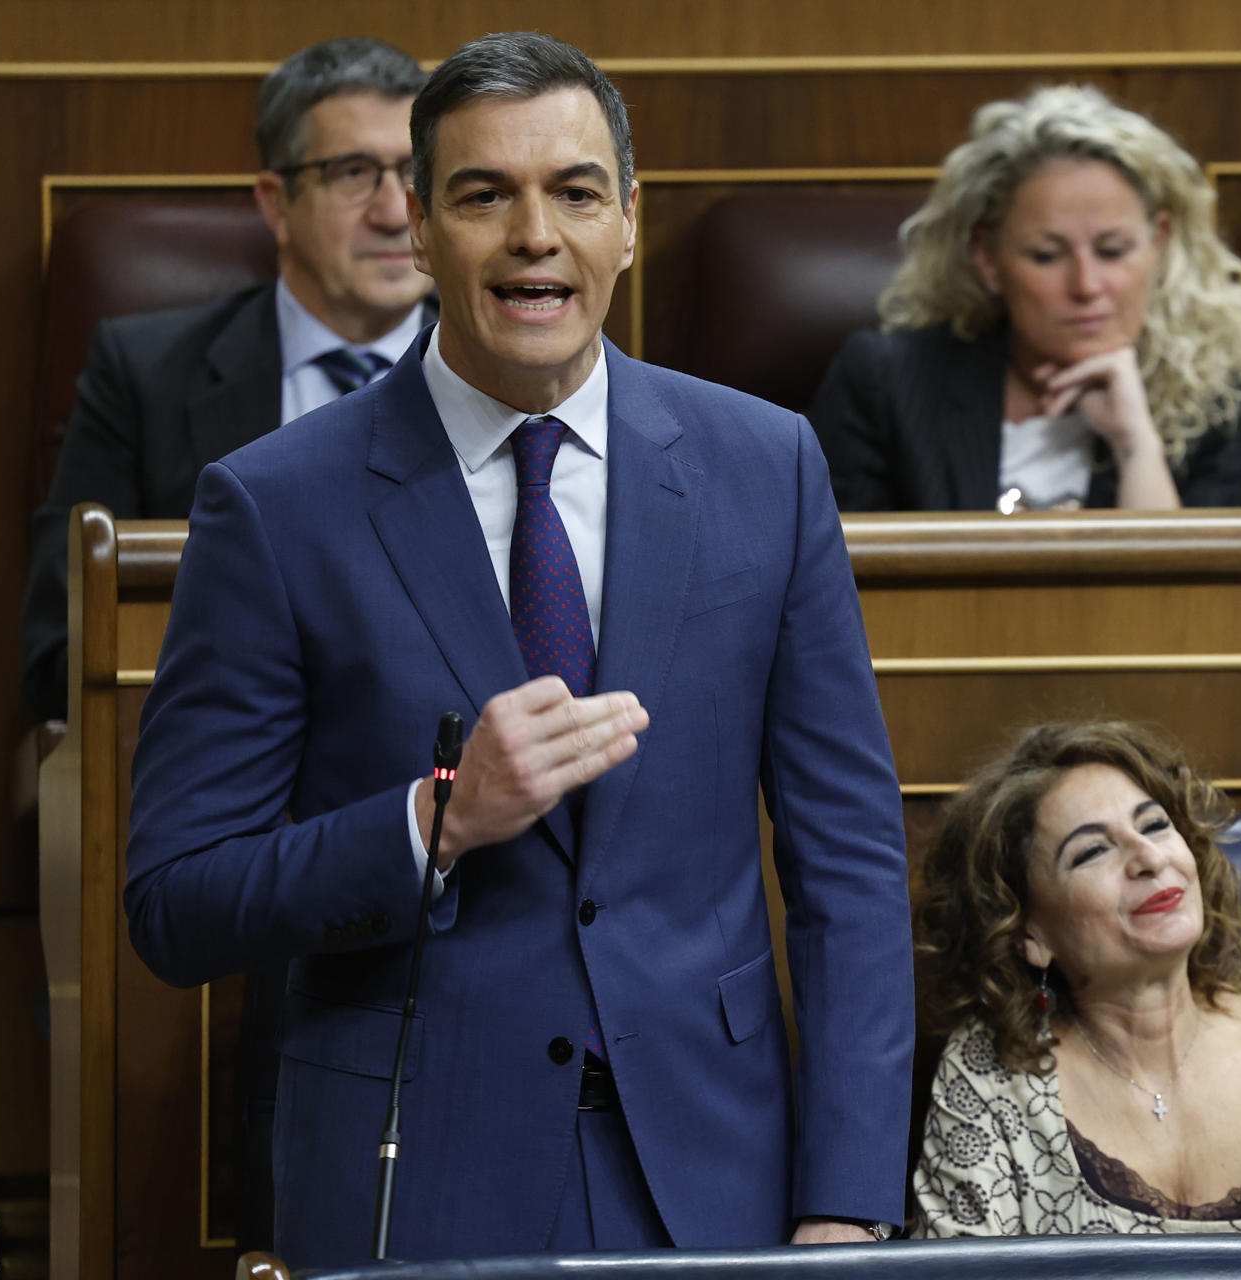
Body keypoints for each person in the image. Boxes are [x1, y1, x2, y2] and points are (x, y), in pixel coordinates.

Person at [122, 31, 914, 1268]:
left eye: (576, 193)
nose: (534, 234)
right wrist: (435, 817)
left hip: (712, 1174)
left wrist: (849, 1196)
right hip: (412, 1170)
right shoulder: (275, 504)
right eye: (484, 195)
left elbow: (849, 863)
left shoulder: (768, 465)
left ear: (630, 225)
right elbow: (176, 902)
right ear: (423, 229)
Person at [19, 36, 435, 725]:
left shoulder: (506, 366)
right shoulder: (147, 375)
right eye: (354, 173)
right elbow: (58, 648)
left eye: (416, 172)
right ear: (276, 203)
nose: (395, 212)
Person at [911, 720, 1241, 1235]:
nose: (1148, 858)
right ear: (1027, 933)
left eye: (1153, 825)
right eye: (1092, 852)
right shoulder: (989, 1078)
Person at [807, 85, 1241, 514]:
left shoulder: (1211, 401)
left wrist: (1136, 447)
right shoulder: (886, 382)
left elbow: (1189, 600)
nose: (1087, 286)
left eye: (1113, 251)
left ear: (1158, 242)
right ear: (987, 258)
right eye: (1047, 255)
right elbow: (840, 582)